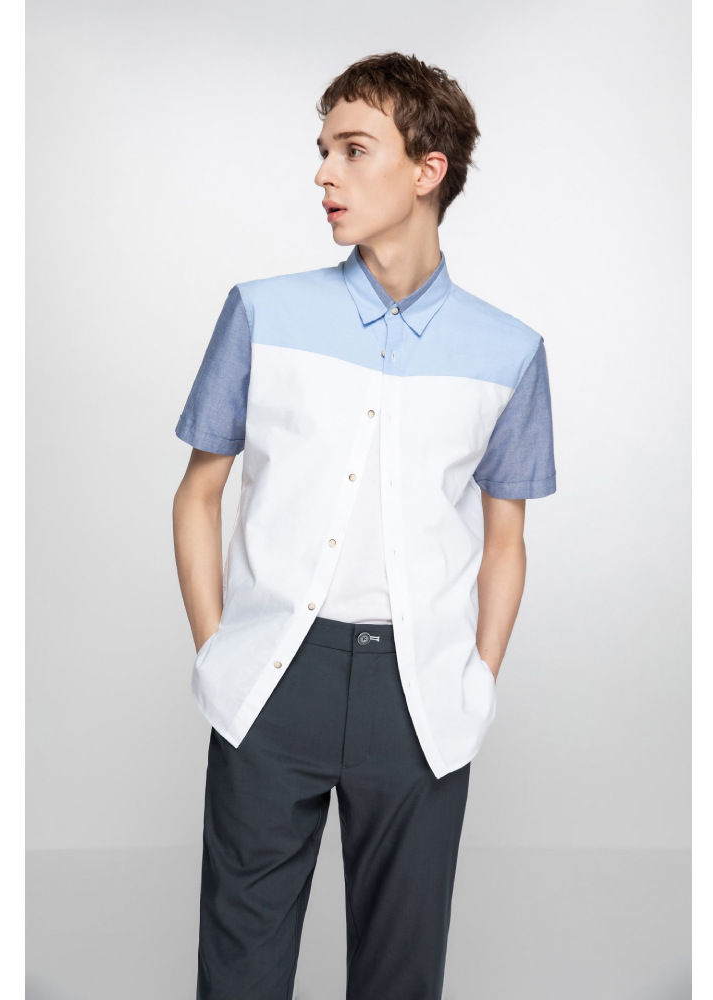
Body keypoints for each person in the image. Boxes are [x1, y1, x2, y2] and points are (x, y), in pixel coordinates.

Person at [172, 51, 556, 1000]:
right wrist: (219, 649)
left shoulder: (509, 353)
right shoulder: (261, 313)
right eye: (323, 150)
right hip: (271, 680)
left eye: (352, 150)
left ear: (428, 169)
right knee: (240, 970)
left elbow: (505, 541)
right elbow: (199, 493)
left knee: (400, 975)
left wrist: (477, 680)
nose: (323, 175)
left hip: (420, 696)